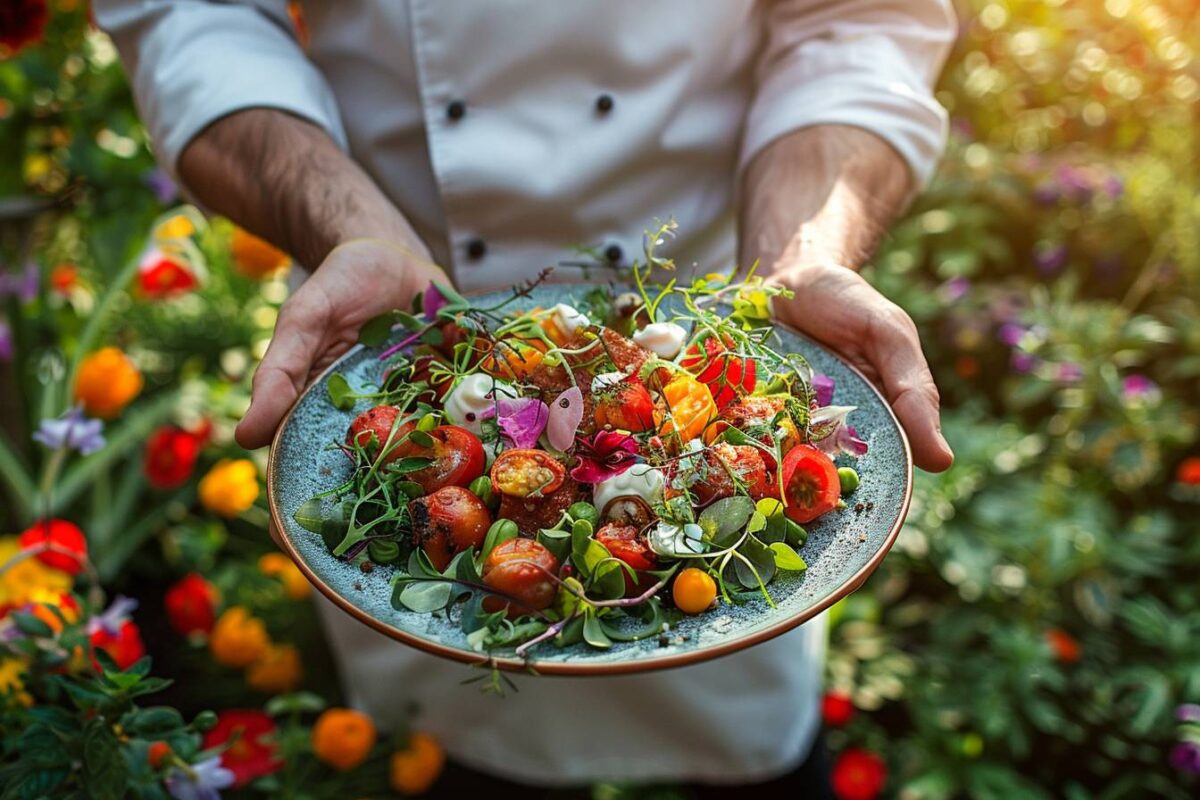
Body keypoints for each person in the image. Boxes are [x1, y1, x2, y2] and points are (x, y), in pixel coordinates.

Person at [97, 1, 956, 793]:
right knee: (453, 759)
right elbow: (195, 20)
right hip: (407, 320)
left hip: (710, 311)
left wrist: (800, 259)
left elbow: (861, 22)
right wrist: (347, 228)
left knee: (759, 749)